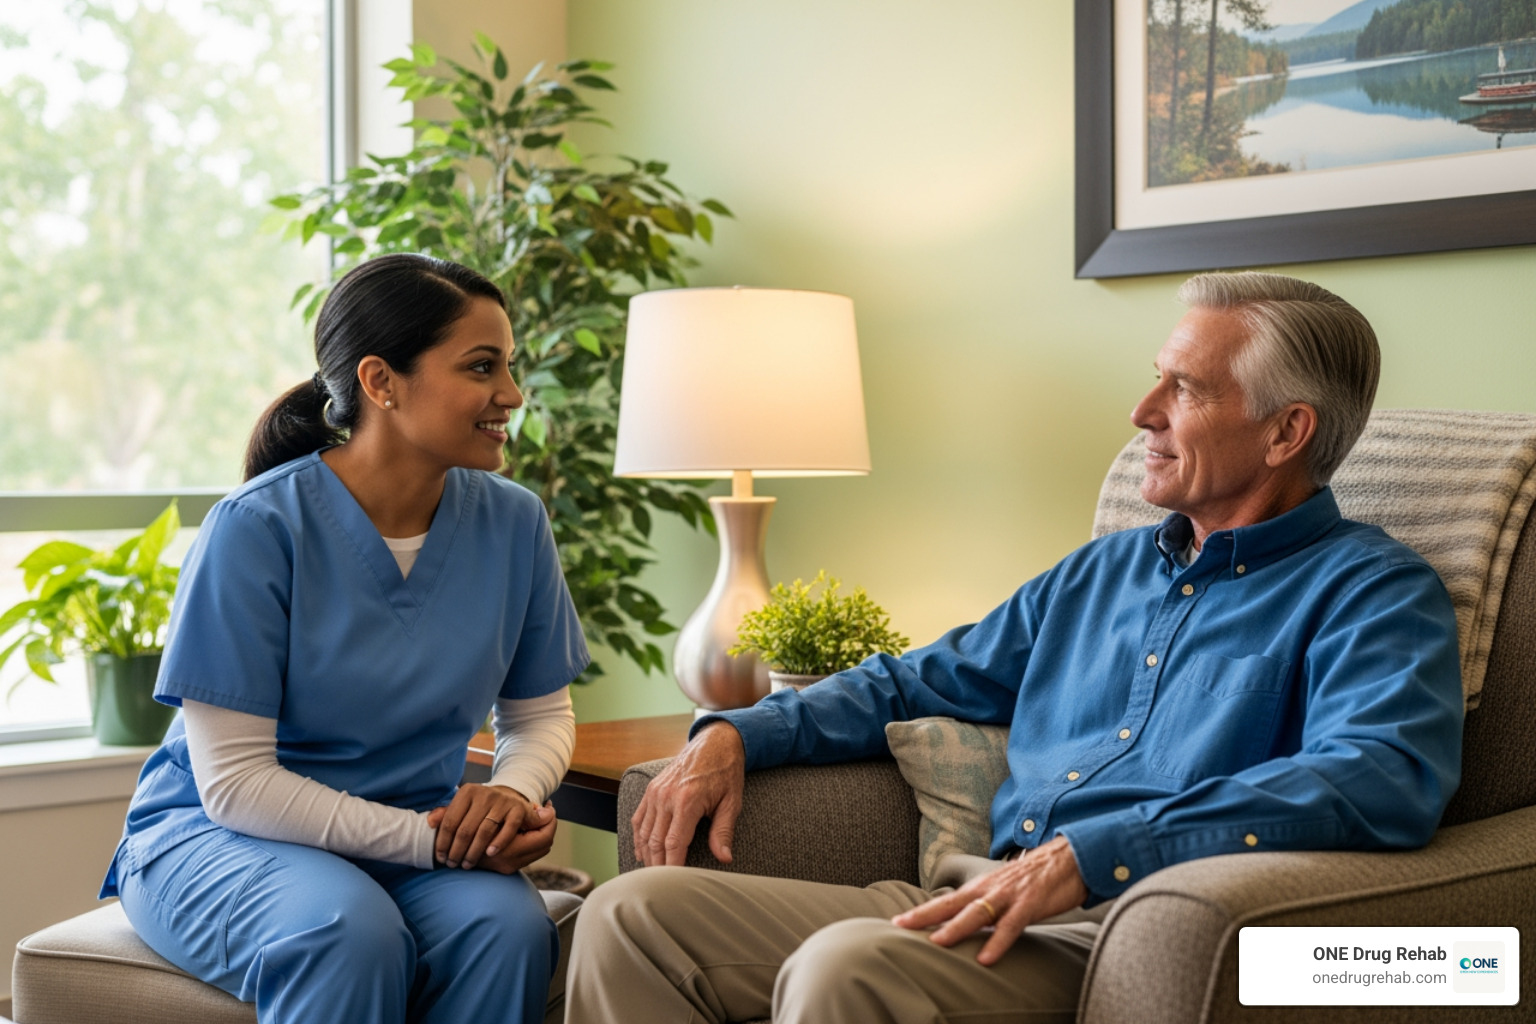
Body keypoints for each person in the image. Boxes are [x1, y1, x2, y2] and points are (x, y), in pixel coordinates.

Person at [564, 271, 1465, 1024]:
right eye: (1157, 377)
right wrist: (737, 731)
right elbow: (913, 682)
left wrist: (1102, 852)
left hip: (1129, 928)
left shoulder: (1370, 593)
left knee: (850, 968)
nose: (1142, 410)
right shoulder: (1099, 575)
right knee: (634, 911)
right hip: (972, 893)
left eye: (1185, 389)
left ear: (1286, 432)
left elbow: (1380, 775)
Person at [101, 253, 590, 1024]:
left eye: (510, 366)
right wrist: (429, 843)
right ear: (380, 381)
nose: (512, 394)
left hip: (410, 837)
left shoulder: (514, 521)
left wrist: (508, 797)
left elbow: (538, 716)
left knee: (509, 928)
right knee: (346, 932)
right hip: (221, 834)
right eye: (482, 367)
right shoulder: (256, 529)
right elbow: (234, 783)